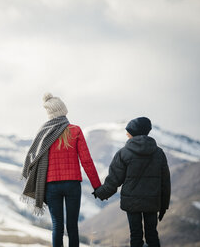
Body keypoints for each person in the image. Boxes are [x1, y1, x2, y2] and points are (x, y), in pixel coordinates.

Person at [21, 92, 101, 247]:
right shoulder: (75, 130)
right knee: (72, 226)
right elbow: (87, 161)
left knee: (57, 225)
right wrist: (97, 186)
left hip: (51, 185)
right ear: (63, 110)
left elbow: (34, 158)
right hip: (72, 184)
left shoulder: (43, 133)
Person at [94, 117, 171, 247]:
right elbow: (165, 182)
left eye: (128, 131)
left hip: (132, 202)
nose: (126, 134)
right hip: (152, 202)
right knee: (152, 234)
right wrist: (164, 206)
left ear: (134, 132)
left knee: (135, 235)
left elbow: (113, 181)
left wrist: (100, 193)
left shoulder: (123, 153)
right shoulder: (159, 153)